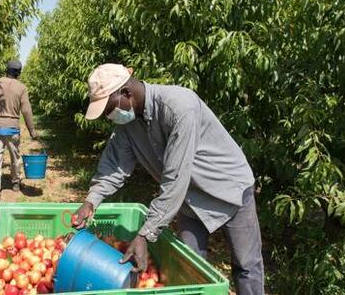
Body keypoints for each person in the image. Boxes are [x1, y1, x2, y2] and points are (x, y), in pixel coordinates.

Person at [71, 64, 264, 294]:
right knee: (191, 269)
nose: (108, 117)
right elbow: (114, 166)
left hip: (228, 189)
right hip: (187, 199)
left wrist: (145, 233)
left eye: (109, 109)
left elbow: (175, 179)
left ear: (126, 94)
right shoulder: (127, 125)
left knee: (246, 265)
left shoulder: (180, 107)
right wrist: (91, 201)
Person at [0, 59, 38, 202]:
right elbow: (26, 110)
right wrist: (32, 130)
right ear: (19, 73)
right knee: (15, 156)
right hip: (12, 129)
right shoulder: (22, 87)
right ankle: (15, 182)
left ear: (6, 70)